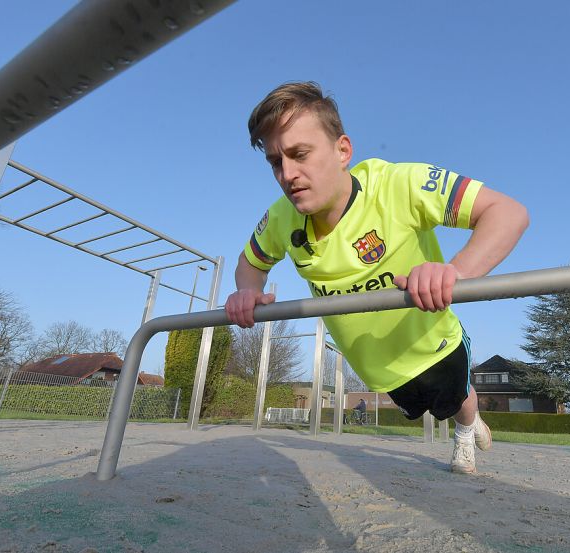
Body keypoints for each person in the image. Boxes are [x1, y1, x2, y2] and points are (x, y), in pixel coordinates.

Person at [225, 82, 529, 474]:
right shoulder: (282, 217)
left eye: (300, 154)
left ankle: (467, 433)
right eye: (275, 161)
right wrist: (247, 291)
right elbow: (250, 263)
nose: (288, 174)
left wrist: (456, 271)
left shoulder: (398, 185)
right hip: (376, 366)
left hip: (431, 342)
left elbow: (508, 212)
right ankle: (462, 423)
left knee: (458, 401)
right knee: (428, 408)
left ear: (342, 151)